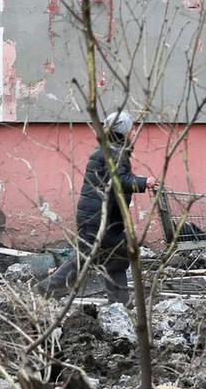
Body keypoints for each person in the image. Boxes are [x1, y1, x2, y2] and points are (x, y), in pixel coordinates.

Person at [43, 110, 157, 304]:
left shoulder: (110, 150)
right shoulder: (113, 152)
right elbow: (119, 181)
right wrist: (144, 182)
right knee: (83, 260)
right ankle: (42, 293)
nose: (134, 132)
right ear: (123, 131)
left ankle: (120, 304)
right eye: (131, 128)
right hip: (99, 219)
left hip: (104, 218)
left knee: (117, 257)